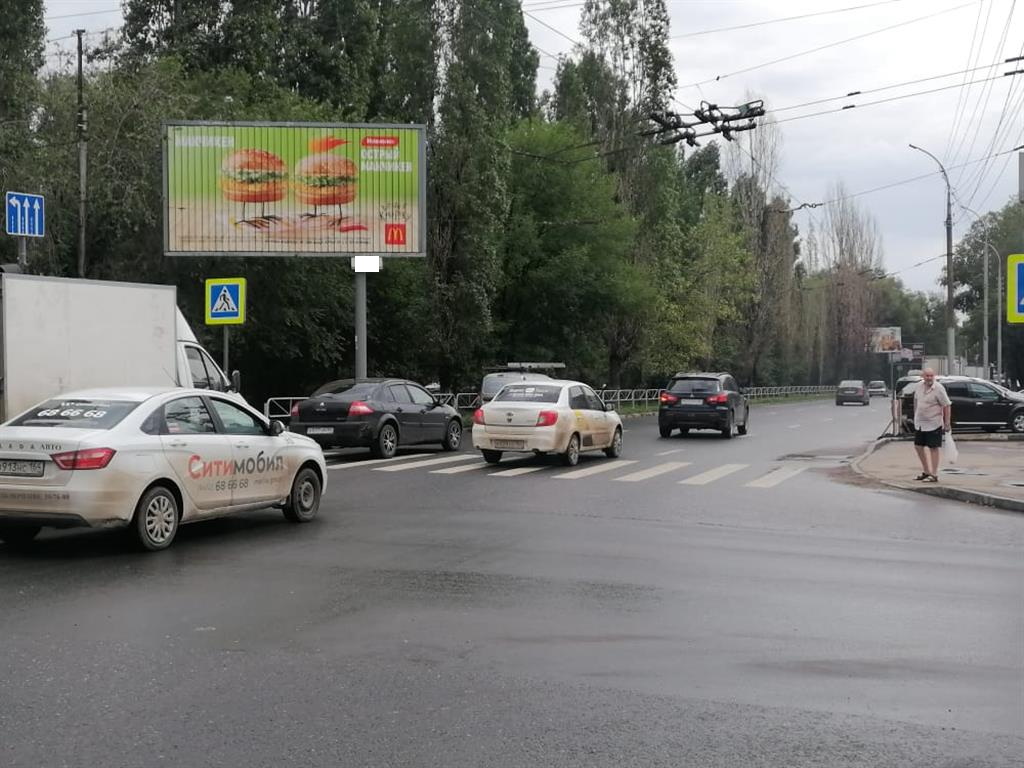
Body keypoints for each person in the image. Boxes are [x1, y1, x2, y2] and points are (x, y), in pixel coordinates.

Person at [912, 368, 951, 482]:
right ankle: (926, 471)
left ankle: (934, 474)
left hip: (934, 423)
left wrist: (947, 422)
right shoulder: (919, 386)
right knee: (918, 446)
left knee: (933, 448)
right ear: (923, 376)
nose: (929, 378)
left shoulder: (938, 388)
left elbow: (947, 405)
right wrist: (915, 415)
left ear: (934, 376)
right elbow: (916, 401)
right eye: (927, 376)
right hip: (920, 423)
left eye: (931, 376)